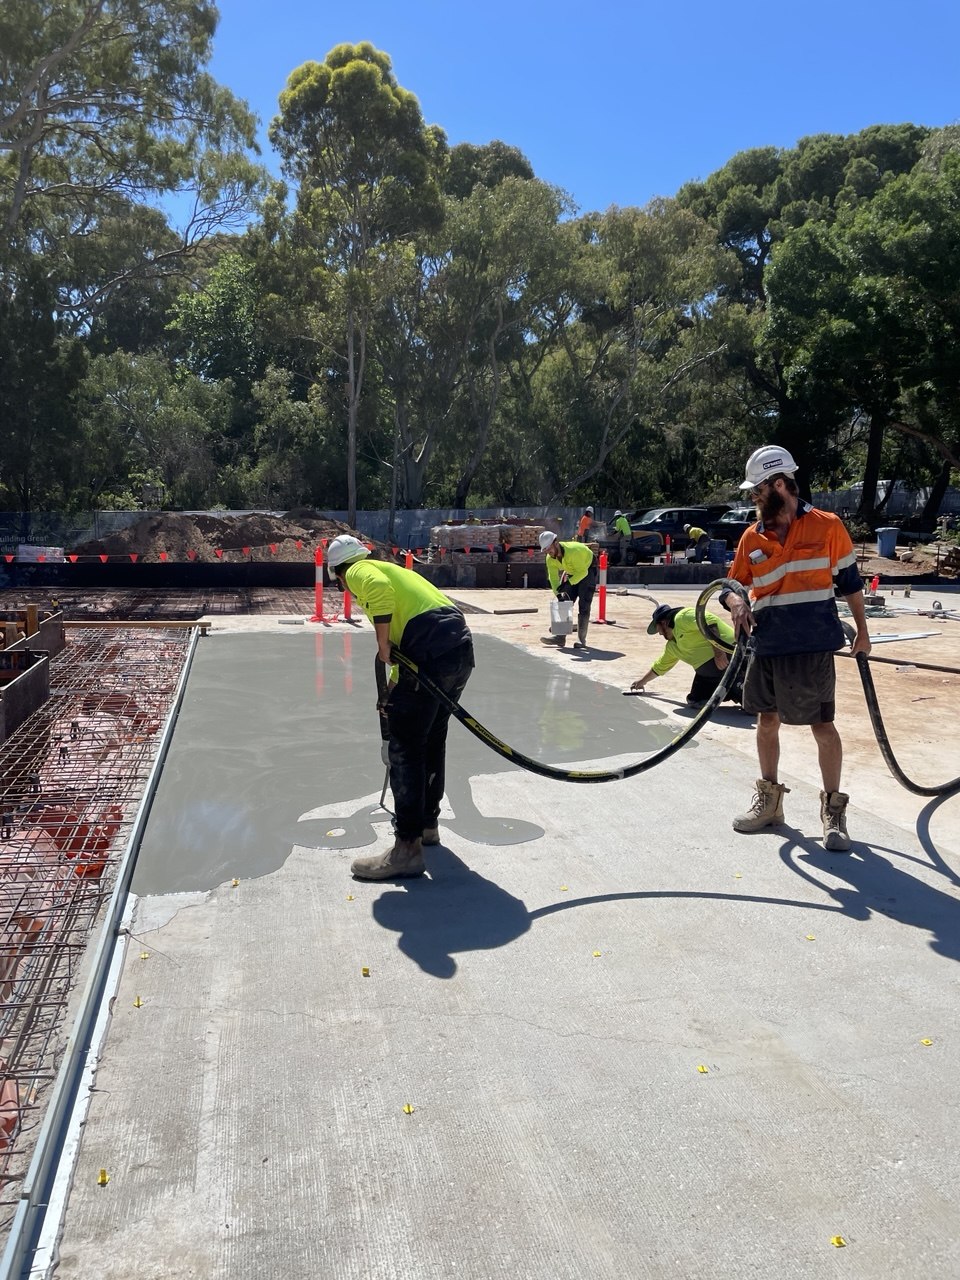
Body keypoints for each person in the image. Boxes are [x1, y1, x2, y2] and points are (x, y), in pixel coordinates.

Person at [721, 444, 871, 850]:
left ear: (779, 484)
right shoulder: (752, 536)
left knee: (822, 726)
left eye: (758, 490)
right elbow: (732, 584)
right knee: (766, 721)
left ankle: (833, 812)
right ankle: (770, 804)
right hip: (767, 643)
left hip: (812, 645)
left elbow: (851, 583)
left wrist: (862, 630)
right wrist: (735, 601)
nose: (754, 497)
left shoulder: (827, 526)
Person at [325, 535, 475, 880]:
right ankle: (427, 827)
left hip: (429, 650)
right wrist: (392, 690)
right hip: (456, 650)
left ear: (338, 573)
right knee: (431, 739)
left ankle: (406, 849)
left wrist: (381, 646)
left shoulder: (359, 571)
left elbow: (379, 595)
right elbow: (405, 642)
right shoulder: (393, 572)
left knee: (405, 748)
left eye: (339, 584)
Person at [630, 603, 742, 707]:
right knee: (695, 700)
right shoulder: (672, 646)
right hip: (710, 673)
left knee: (748, 704)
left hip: (732, 653)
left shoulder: (682, 617)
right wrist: (641, 682)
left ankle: (741, 684)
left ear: (664, 622)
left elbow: (709, 622)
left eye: (658, 628)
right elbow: (659, 667)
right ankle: (732, 690)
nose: (659, 633)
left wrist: (719, 653)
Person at [539, 531, 597, 651]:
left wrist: (569, 583)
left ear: (556, 543)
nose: (548, 552)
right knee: (563, 602)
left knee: (584, 605)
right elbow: (553, 578)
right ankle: (559, 637)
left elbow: (583, 572)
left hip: (587, 569)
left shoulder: (573, 552)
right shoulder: (550, 559)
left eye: (549, 549)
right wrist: (558, 594)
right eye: (545, 550)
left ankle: (581, 640)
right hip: (573, 571)